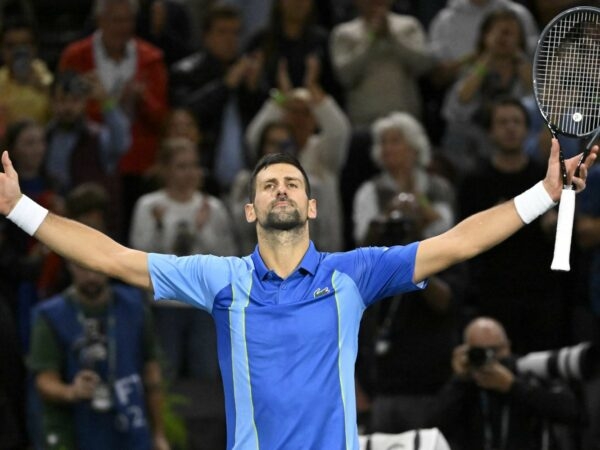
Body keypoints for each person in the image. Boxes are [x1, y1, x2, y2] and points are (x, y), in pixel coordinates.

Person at [0, 135, 596, 449]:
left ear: (311, 205)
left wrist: (544, 195)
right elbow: (115, 258)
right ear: (250, 206)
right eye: (269, 184)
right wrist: (20, 209)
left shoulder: (353, 275)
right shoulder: (222, 280)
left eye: (291, 183)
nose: (281, 189)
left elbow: (457, 243)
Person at [27, 182, 169, 450]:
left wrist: (159, 434)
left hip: (131, 426)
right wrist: (71, 391)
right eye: (81, 266)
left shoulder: (134, 305)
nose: (90, 274)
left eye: (95, 266)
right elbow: (44, 381)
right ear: (68, 265)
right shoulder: (50, 315)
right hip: (75, 429)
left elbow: (152, 373)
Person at [457, 97, 568, 353]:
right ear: (490, 132)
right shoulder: (475, 182)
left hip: (542, 293)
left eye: (516, 122)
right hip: (494, 293)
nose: (510, 128)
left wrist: (552, 227)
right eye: (502, 122)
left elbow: (568, 238)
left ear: (526, 129)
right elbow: (464, 239)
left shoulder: (547, 177)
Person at [129, 137, 237, 381]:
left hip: (203, 305)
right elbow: (139, 254)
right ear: (165, 169)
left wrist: (201, 231)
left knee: (206, 375)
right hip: (163, 305)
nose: (189, 172)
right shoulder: (149, 206)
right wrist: (159, 226)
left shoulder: (214, 208)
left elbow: (228, 258)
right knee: (167, 375)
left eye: (193, 165)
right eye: (181, 166)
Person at [58, 0, 169, 237]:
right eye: (116, 20)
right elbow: (64, 107)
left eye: (128, 20)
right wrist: (100, 100)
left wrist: (142, 98)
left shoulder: (151, 58)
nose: (123, 27)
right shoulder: (75, 57)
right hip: (90, 160)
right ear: (100, 21)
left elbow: (162, 117)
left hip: (140, 165)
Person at [428, 317, 584, 450]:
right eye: (480, 352)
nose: (490, 359)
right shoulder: (464, 383)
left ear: (508, 346)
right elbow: (431, 428)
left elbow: (573, 412)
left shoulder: (527, 370)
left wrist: (513, 386)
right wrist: (460, 380)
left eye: (495, 350)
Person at [169, 2, 265, 194]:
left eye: (235, 33)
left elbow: (261, 124)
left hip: (247, 177)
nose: (230, 39)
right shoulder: (186, 71)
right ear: (206, 36)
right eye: (222, 32)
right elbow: (188, 113)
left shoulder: (246, 73)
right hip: (203, 173)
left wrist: (254, 89)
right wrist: (226, 85)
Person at [45, 70, 130, 240]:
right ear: (52, 102)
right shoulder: (44, 138)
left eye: (74, 100)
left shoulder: (98, 137)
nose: (68, 107)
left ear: (84, 102)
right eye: (62, 100)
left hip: (93, 229)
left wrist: (106, 101)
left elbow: (122, 143)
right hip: (53, 224)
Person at [329, 0, 435, 127]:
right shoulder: (343, 33)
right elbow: (344, 76)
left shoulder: (409, 25)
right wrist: (371, 38)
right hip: (364, 121)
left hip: (406, 118)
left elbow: (423, 66)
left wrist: (392, 37)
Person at [0, 15, 53, 138]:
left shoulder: (48, 81)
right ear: (2, 50)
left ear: (34, 48)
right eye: (11, 46)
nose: (18, 52)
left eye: (24, 45)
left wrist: (46, 89)